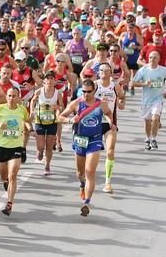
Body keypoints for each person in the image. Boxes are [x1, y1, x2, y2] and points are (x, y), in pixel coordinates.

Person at [58, 79, 113, 216]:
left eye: (89, 92)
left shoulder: (101, 104)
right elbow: (60, 117)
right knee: (80, 173)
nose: (86, 94)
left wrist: (111, 123)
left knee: (90, 172)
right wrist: (71, 120)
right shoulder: (76, 103)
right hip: (80, 139)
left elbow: (109, 114)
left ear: (94, 91)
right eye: (84, 91)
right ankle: (82, 184)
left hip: (95, 140)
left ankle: (87, 203)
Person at [0, 87, 31, 216]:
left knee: (13, 175)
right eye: (9, 96)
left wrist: (29, 127)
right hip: (1, 146)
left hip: (16, 147)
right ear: (6, 97)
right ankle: (5, 182)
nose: (11, 98)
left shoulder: (22, 110)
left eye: (14, 96)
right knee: (4, 175)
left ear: (18, 97)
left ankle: (9, 203)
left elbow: (26, 120)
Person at [132, 51, 166, 150]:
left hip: (158, 100)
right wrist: (145, 84)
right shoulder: (143, 70)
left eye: (154, 58)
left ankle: (153, 138)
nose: (152, 60)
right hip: (146, 101)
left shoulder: (163, 70)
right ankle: (147, 138)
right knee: (147, 121)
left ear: (159, 59)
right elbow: (133, 83)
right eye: (150, 57)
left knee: (155, 118)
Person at [95, 63, 125, 193]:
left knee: (110, 151)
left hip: (110, 123)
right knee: (92, 154)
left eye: (106, 70)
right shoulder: (94, 85)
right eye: (101, 70)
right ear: (98, 72)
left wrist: (121, 103)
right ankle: (86, 176)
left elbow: (122, 97)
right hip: (94, 122)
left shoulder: (114, 86)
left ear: (111, 72)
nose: (103, 72)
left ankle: (108, 182)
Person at [29, 71, 63, 175]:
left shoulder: (58, 93)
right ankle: (39, 152)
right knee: (41, 147)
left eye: (52, 79)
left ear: (55, 81)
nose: (49, 81)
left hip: (52, 122)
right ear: (44, 81)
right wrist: (31, 112)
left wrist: (57, 107)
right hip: (40, 121)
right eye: (47, 79)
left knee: (49, 146)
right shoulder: (39, 91)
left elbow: (62, 107)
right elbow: (33, 101)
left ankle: (47, 165)